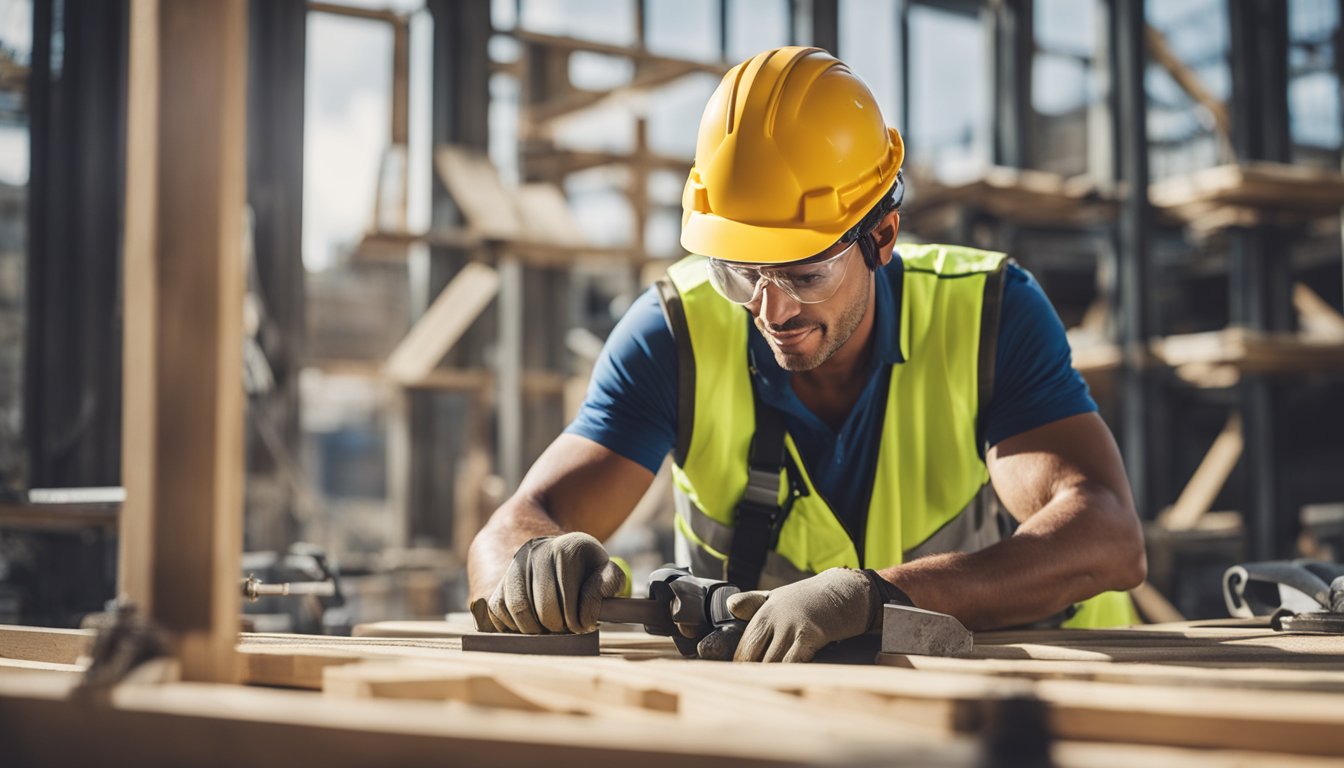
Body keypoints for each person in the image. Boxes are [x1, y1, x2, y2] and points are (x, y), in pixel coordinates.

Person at [467, 47, 1145, 663]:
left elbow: (1107, 536)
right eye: (740, 272)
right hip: (807, 723)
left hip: (1056, 701)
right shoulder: (672, 335)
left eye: (805, 273)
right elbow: (511, 528)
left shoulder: (989, 316)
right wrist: (529, 570)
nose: (772, 309)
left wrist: (877, 597)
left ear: (881, 236)